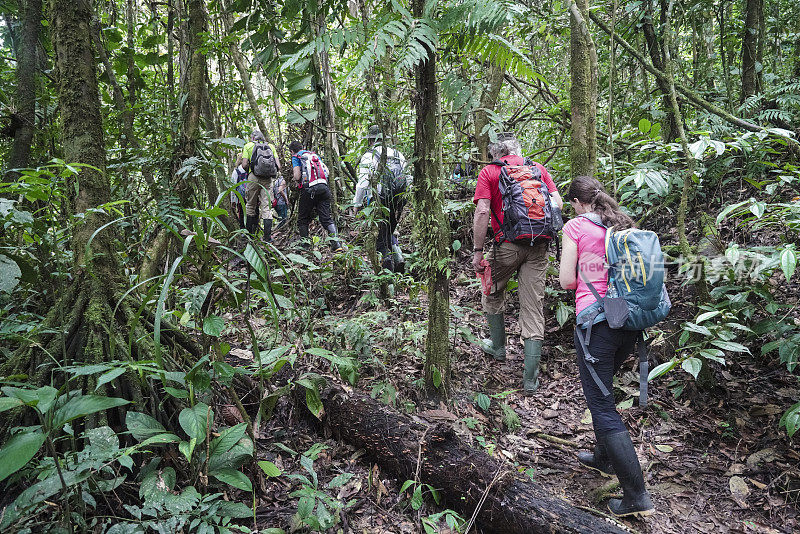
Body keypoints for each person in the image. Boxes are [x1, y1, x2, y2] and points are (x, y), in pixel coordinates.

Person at [559, 175, 654, 518]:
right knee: (605, 390)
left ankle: (636, 496)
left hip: (596, 323)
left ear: (577, 203)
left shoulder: (575, 227)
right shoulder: (620, 223)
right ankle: (603, 459)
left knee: (601, 406)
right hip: (624, 319)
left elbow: (567, 280)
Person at [471, 133, 563, 393]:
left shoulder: (490, 172)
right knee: (533, 307)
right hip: (539, 247)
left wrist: (478, 251)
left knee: (491, 290)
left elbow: (482, 211)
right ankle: (530, 380)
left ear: (495, 154)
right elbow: (558, 203)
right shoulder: (538, 169)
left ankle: (498, 348)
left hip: (506, 246)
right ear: (518, 150)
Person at [355, 125, 412, 272]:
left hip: (379, 200)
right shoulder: (398, 154)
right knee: (389, 230)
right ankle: (399, 258)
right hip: (398, 200)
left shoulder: (369, 155)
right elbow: (407, 178)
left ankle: (387, 270)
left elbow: (363, 183)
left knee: (380, 236)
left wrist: (357, 204)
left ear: (370, 140)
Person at [290, 140, 342, 251]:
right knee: (326, 218)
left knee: (302, 219)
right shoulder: (313, 155)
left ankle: (306, 246)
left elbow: (297, 175)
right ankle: (336, 244)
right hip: (324, 188)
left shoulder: (296, 157)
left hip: (309, 190)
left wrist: (294, 180)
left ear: (292, 151)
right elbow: (326, 171)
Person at [242, 131, 281, 242]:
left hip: (253, 177)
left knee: (250, 206)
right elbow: (278, 165)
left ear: (253, 138)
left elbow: (244, 164)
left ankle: (250, 236)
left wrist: (251, 169)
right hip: (267, 180)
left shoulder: (248, 146)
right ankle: (267, 237)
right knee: (266, 208)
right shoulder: (270, 146)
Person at [230, 157, 248, 228]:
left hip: (241, 198)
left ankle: (243, 231)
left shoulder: (236, 171)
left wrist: (233, 200)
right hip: (251, 197)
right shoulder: (250, 170)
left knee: (242, 214)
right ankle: (252, 232)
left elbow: (233, 187)